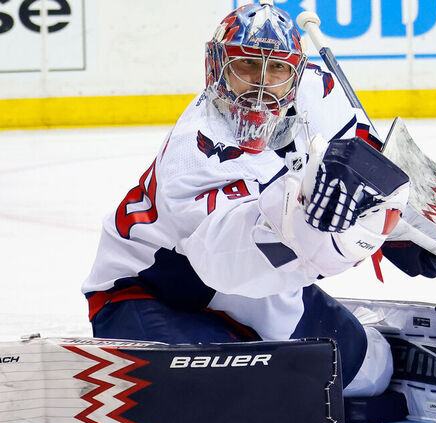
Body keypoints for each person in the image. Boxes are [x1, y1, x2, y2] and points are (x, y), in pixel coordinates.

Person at [82, 0, 410, 397]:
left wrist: (404, 226)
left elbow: (366, 157)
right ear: (216, 68)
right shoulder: (196, 153)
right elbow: (229, 263)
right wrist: (333, 235)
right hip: (150, 287)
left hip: (246, 283)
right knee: (228, 393)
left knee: (367, 371)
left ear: (295, 73)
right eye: (247, 65)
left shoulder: (311, 87)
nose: (261, 83)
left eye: (276, 68)